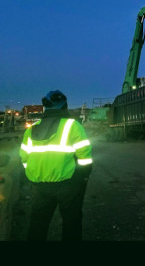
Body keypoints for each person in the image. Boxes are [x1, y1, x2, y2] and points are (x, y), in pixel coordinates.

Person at [19, 90, 93, 241]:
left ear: (45, 107)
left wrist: (33, 176)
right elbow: (84, 157)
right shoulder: (73, 125)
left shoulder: (32, 129)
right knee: (71, 224)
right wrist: (83, 177)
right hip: (69, 185)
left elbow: (24, 158)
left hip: (40, 185)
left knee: (38, 224)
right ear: (65, 106)